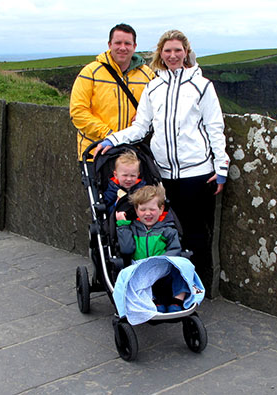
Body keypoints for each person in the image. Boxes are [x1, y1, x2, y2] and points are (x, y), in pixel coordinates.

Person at [94, 30, 229, 293]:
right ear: (160, 54)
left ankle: (194, 286)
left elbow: (215, 128)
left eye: (178, 50)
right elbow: (141, 127)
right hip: (162, 176)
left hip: (197, 173)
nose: (173, 55)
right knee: (165, 231)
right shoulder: (153, 87)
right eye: (167, 50)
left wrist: (220, 167)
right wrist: (112, 140)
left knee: (195, 233)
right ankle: (164, 284)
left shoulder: (202, 86)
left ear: (186, 52)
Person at [70, 23, 156, 161]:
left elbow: (160, 107)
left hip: (133, 155)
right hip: (96, 153)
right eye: (118, 43)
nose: (123, 48)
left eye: (127, 43)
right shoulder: (90, 72)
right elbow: (78, 112)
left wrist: (145, 116)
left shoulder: (148, 75)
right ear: (109, 45)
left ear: (135, 46)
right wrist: (110, 135)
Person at [116, 184, 187, 313]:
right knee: (133, 278)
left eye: (152, 209)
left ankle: (178, 300)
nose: (147, 213)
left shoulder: (167, 230)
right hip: (141, 268)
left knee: (182, 269)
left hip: (163, 267)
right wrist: (123, 225)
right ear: (136, 210)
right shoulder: (132, 229)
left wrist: (161, 260)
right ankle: (152, 300)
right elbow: (126, 249)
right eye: (143, 210)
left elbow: (175, 249)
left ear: (161, 209)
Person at [103, 150, 145, 216]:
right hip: (119, 218)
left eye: (133, 176)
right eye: (125, 175)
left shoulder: (142, 188)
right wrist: (116, 204)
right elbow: (107, 210)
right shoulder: (112, 189)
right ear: (116, 175)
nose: (129, 179)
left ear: (138, 175)